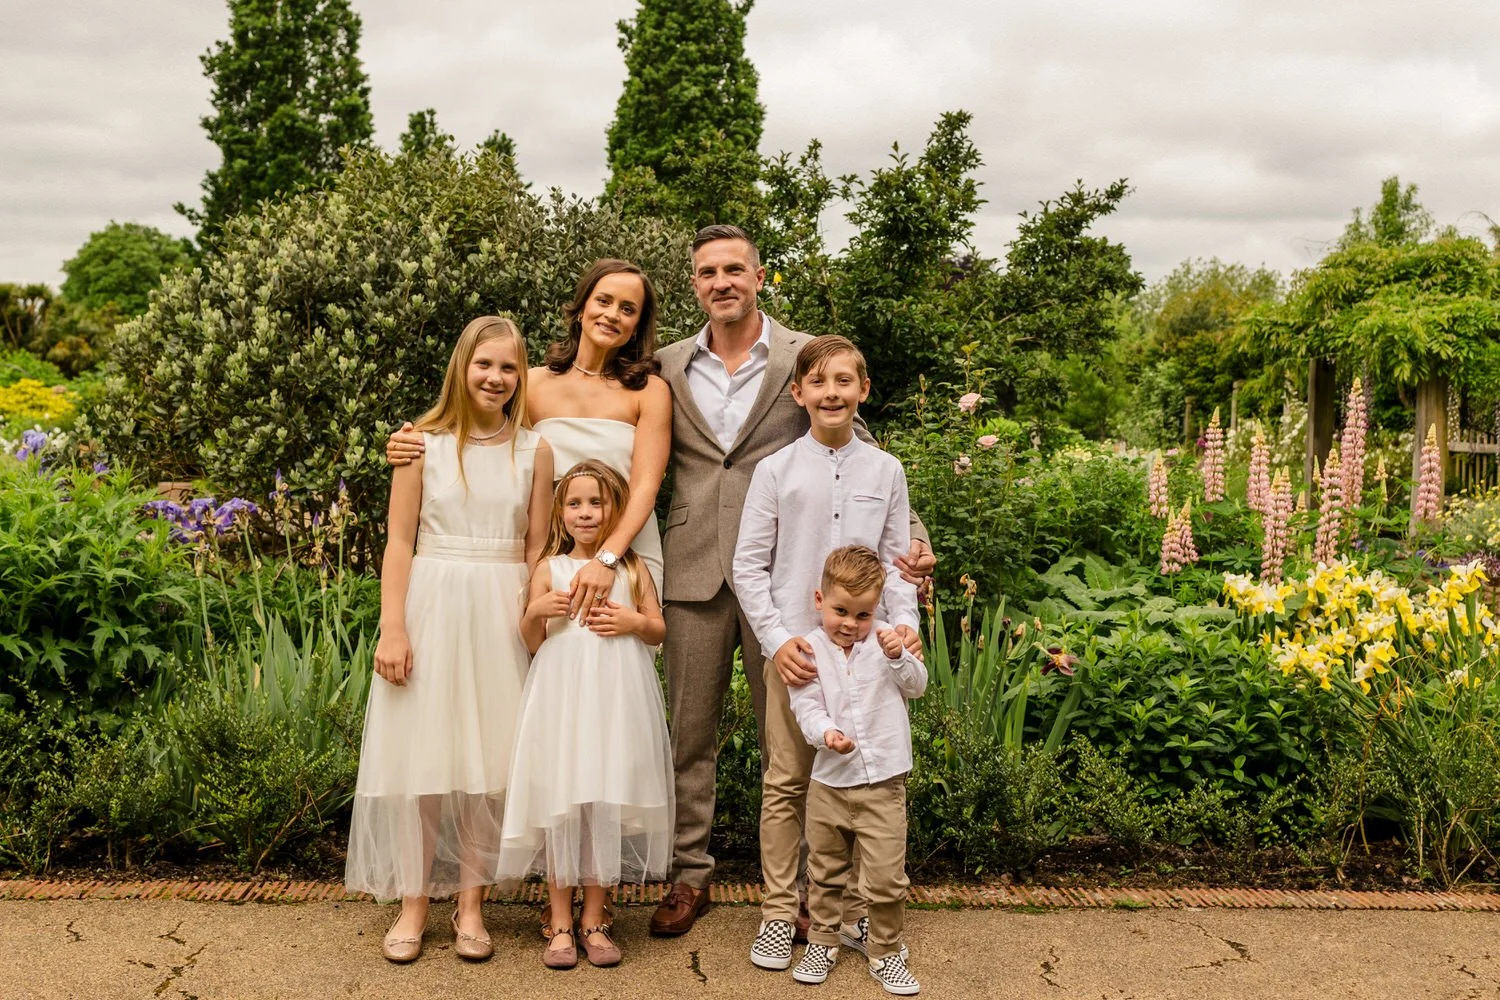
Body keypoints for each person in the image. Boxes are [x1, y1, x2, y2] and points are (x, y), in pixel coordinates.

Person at [649, 225, 936, 938]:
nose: (722, 282)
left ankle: (815, 892)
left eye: (735, 270)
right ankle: (689, 876)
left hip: (795, 584)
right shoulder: (666, 364)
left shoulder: (803, 359)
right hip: (693, 567)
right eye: (708, 272)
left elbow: (866, 453)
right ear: (695, 283)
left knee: (799, 746)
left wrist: (916, 540)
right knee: (688, 735)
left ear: (759, 276)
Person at [346, 316, 554, 964]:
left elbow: (538, 544)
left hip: (502, 607)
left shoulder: (535, 449)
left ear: (521, 377)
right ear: (462, 367)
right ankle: (413, 905)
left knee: (487, 770)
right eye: (484, 364)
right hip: (433, 603)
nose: (496, 378)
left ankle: (470, 906)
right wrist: (394, 625)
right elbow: (399, 540)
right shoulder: (421, 445)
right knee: (424, 763)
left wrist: (536, 623)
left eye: (509, 368)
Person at [733, 334, 922, 971]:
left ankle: (860, 914)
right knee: (787, 784)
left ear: (863, 390)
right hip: (797, 652)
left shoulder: (885, 471)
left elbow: (897, 564)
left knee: (870, 781)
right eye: (819, 382)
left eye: (845, 381)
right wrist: (778, 640)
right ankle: (781, 915)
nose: (832, 393)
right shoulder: (777, 470)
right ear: (799, 393)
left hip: (870, 660)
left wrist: (905, 628)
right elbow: (749, 567)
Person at [498, 460, 674, 969]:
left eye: (596, 502)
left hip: (615, 698)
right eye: (574, 503)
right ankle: (558, 921)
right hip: (562, 699)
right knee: (563, 804)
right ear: (560, 511)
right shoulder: (549, 569)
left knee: (600, 804)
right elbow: (531, 641)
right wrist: (535, 612)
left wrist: (634, 619)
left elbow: (658, 630)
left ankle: (595, 918)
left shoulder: (632, 568)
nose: (586, 512)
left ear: (615, 509)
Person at [786, 546, 927, 996]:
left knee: (886, 876)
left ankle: (885, 951)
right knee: (825, 871)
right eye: (840, 611)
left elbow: (918, 687)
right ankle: (823, 940)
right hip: (830, 783)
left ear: (877, 610)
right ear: (819, 600)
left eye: (863, 615)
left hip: (884, 782)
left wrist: (899, 657)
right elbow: (805, 704)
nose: (850, 623)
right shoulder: (811, 649)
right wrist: (826, 733)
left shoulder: (887, 641)